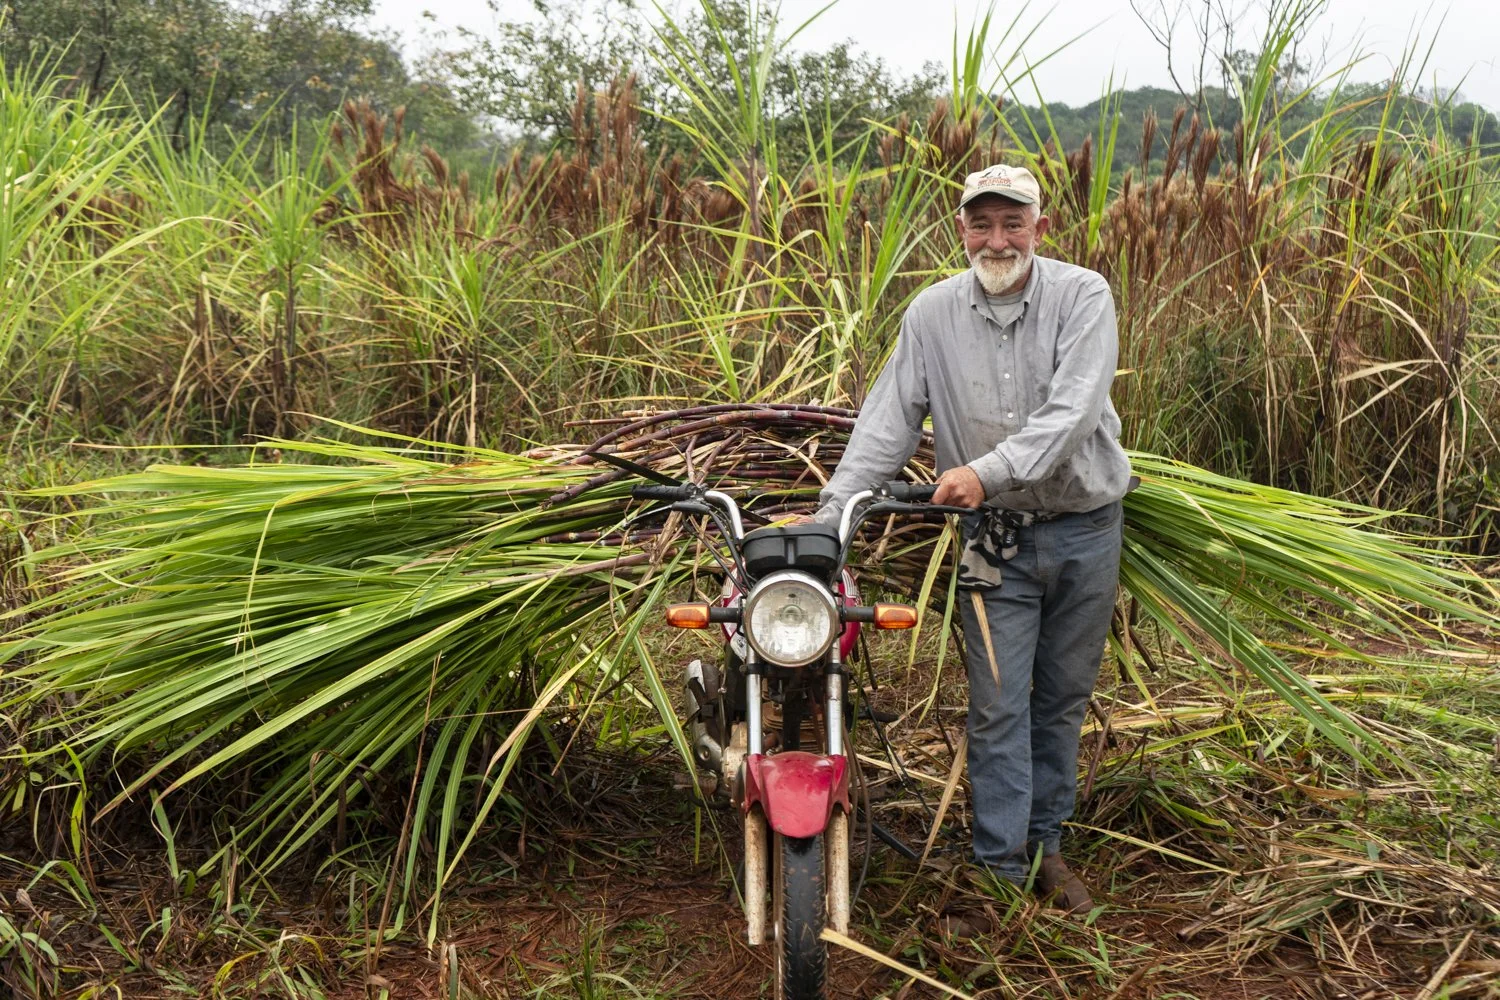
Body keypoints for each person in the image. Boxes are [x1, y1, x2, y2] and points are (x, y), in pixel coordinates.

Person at [801, 163, 1131, 912]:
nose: (997, 238)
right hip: (994, 543)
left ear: (1039, 228)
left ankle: (1048, 847)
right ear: (962, 231)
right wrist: (831, 521)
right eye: (981, 224)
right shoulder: (932, 313)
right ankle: (999, 869)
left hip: (1084, 529)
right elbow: (888, 421)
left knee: (1061, 700)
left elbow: (1074, 411)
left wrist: (986, 469)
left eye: (1012, 222)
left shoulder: (1083, 296)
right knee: (998, 701)